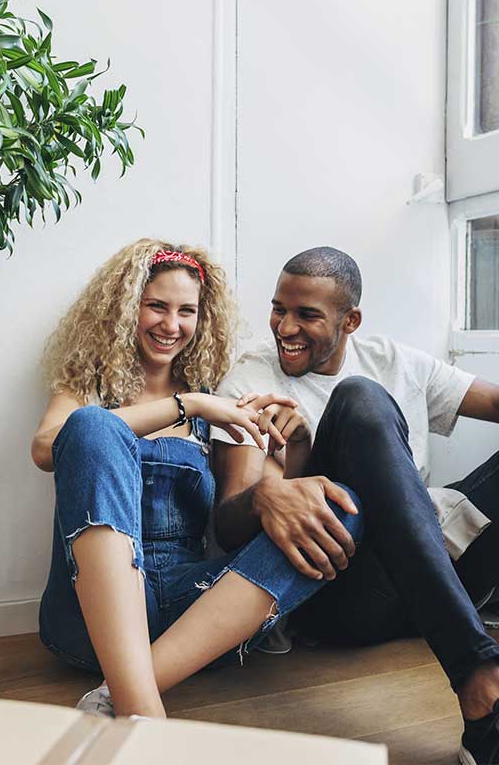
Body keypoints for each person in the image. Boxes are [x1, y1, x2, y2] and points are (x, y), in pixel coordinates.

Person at [210, 246, 499, 765]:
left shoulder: (394, 360)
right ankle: (484, 693)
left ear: (350, 320)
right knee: (361, 399)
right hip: (344, 591)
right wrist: (266, 495)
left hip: (439, 568)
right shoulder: (250, 381)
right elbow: (228, 521)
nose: (285, 327)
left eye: (307, 314)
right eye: (278, 309)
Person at [31, 239, 364, 719]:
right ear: (127, 309)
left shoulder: (221, 398)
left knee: (338, 505)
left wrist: (298, 447)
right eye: (156, 307)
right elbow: (46, 448)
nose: (171, 325)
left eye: (186, 311)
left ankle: (117, 693)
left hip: (191, 618)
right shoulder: (92, 387)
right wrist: (192, 406)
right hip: (87, 621)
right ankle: (143, 709)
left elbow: (254, 513)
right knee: (93, 425)